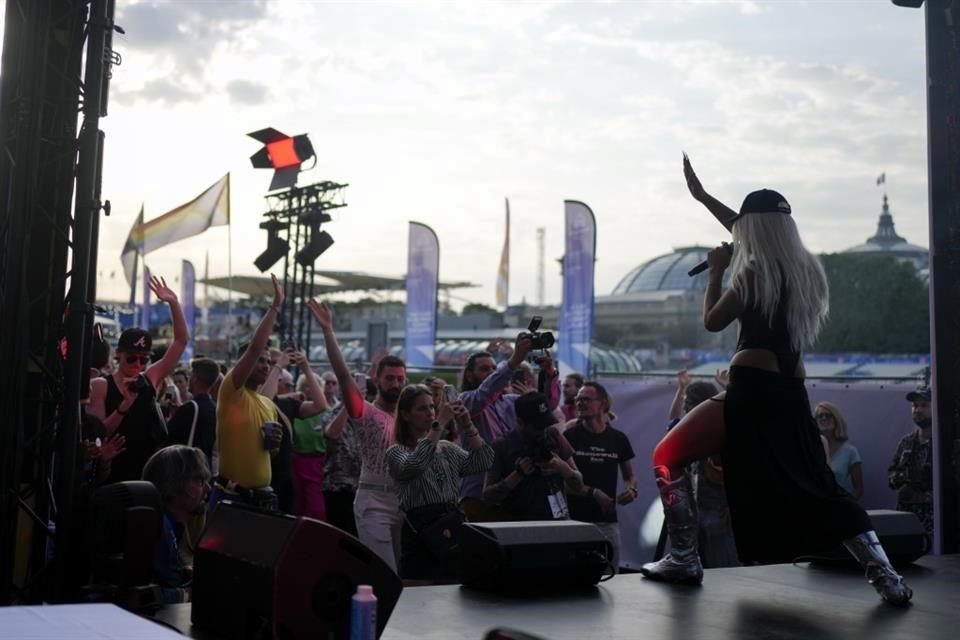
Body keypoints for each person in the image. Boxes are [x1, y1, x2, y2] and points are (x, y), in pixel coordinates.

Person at [640, 155, 911, 605]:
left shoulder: (750, 273)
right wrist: (702, 196)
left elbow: (712, 321)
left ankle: (684, 556)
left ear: (753, 232)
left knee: (668, 455)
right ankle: (885, 575)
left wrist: (715, 271)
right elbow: (746, 229)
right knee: (819, 486)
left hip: (750, 387)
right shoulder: (804, 270)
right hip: (789, 390)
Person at [309, 299, 406, 572]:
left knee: (401, 574)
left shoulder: (411, 415)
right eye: (390, 378)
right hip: (373, 503)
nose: (396, 384)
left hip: (404, 503)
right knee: (386, 573)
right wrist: (328, 331)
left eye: (400, 378)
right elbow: (342, 375)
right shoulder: (366, 413)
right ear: (377, 381)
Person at [386, 385, 493, 580]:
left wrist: (468, 425)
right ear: (406, 415)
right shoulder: (396, 451)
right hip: (420, 532)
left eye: (432, 407)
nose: (430, 413)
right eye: (422, 408)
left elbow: (484, 461)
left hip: (451, 527)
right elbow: (415, 465)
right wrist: (440, 423)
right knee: (420, 596)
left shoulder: (446, 448)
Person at [88, 276, 189, 483]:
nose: (137, 365)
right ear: (118, 355)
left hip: (147, 473)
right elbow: (98, 434)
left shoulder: (149, 378)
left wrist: (174, 302)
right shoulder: (101, 385)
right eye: (131, 358)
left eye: (143, 360)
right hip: (113, 474)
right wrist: (124, 406)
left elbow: (180, 342)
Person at [211, 275, 284, 511]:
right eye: (259, 361)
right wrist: (275, 307)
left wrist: (274, 444)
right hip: (232, 497)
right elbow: (254, 348)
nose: (265, 365)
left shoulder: (267, 404)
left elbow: (270, 452)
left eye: (268, 362)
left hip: (263, 498)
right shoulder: (232, 391)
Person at [665, 371, 739, 569]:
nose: (686, 408)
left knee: (722, 569)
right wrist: (681, 390)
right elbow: (672, 425)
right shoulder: (690, 433)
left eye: (690, 403)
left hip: (719, 514)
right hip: (698, 514)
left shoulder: (723, 431)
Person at [564, 382, 637, 572]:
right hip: (574, 520)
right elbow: (563, 481)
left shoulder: (618, 439)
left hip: (607, 521)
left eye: (586, 399)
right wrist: (593, 493)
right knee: (574, 576)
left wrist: (631, 490)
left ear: (603, 404)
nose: (580, 403)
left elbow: (629, 475)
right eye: (578, 399)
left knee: (610, 576)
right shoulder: (569, 436)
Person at [483, 392, 583, 521]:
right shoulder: (502, 445)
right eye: (537, 427)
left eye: (545, 425)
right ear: (520, 422)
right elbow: (487, 497)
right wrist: (517, 475)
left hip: (557, 521)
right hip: (520, 524)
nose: (542, 432)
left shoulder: (553, 435)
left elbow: (579, 485)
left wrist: (562, 468)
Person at [141, 445, 212, 604]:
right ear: (172, 486)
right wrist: (187, 595)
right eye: (199, 480)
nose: (208, 488)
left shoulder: (168, 525)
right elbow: (145, 597)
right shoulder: (162, 529)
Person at [888, 385, 934, 540]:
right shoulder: (906, 442)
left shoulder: (945, 442)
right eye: (915, 405)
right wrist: (900, 477)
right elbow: (891, 477)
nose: (918, 410)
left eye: (924, 405)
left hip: (936, 520)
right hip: (907, 519)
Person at [166, 358, 220, 469]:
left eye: (191, 375)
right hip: (206, 469)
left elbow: (167, 435)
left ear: (196, 379)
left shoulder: (191, 407)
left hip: (188, 470)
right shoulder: (215, 408)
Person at [815, 401, 864, 500]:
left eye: (828, 415)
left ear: (836, 420)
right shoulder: (809, 448)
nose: (824, 418)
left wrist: (845, 506)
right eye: (820, 416)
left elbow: (858, 489)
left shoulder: (850, 452)